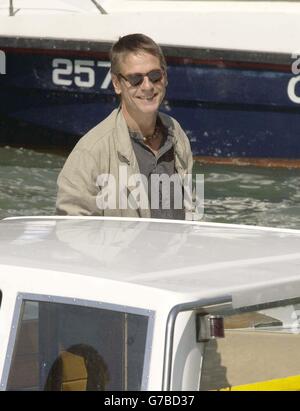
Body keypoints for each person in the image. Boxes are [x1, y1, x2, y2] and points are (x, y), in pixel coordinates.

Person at [56, 33, 194, 219]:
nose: (147, 86)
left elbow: (190, 210)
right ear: (117, 84)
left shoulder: (176, 134)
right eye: (136, 79)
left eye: (155, 76)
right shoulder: (90, 152)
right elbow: (72, 231)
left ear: (165, 77)